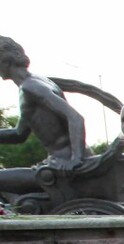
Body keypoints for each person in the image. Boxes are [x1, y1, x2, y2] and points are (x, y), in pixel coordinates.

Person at [0, 36, 91, 196]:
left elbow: (75, 118)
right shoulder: (35, 83)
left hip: (60, 166)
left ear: (5, 61)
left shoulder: (31, 87)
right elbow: (19, 134)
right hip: (56, 163)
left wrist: (76, 159)